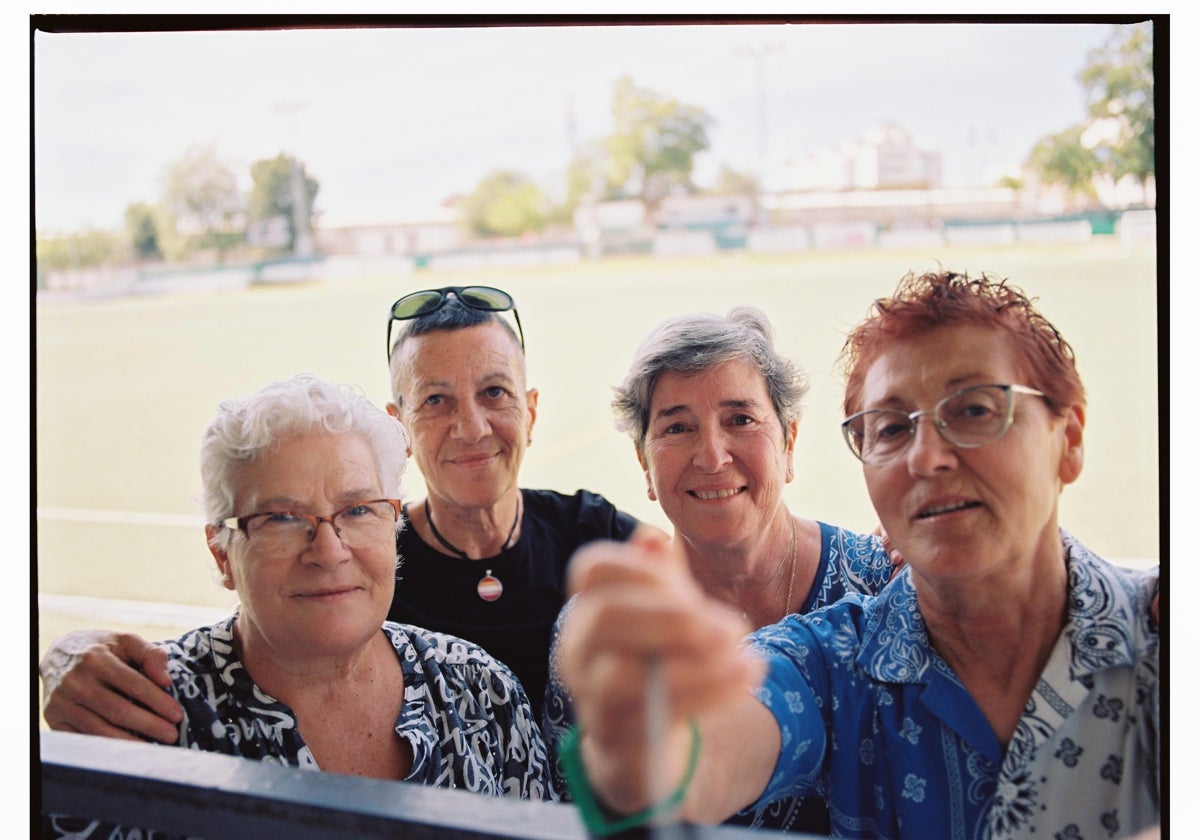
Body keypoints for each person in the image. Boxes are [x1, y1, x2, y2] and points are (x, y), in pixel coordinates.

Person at [555, 271, 1160, 839]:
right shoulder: (831, 662)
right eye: (892, 428)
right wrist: (637, 753)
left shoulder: (1164, 637)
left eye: (974, 409)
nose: (926, 457)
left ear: (1070, 440)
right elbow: (706, 755)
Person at [39, 286, 637, 742]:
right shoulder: (358, 567)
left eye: (495, 392)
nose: (471, 426)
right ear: (397, 424)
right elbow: (243, 643)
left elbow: (724, 599)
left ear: (530, 410)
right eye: (436, 400)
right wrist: (69, 652)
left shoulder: (594, 534)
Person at [46, 374, 554, 837]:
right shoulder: (142, 712)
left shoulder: (480, 688)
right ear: (222, 552)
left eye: (358, 510)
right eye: (281, 518)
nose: (329, 551)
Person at [542, 307, 897, 834]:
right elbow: (589, 816)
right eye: (678, 427)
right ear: (644, 462)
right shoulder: (609, 633)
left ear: (789, 442)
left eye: (741, 419)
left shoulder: (880, 586)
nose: (712, 457)